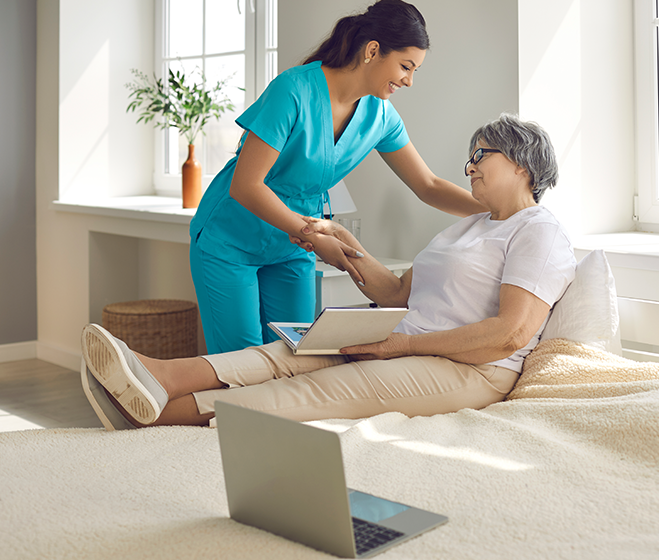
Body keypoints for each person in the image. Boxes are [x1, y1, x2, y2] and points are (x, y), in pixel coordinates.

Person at [81, 115, 576, 430]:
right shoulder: (468, 226)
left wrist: (403, 346)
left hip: (472, 369)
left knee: (310, 389)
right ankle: (158, 374)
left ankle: (151, 417)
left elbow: (510, 334)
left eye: (481, 155)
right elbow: (397, 293)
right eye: (470, 158)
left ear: (522, 164)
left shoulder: (539, 230)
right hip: (407, 339)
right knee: (288, 352)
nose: (469, 167)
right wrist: (345, 241)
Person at [189, 0, 487, 355]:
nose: (409, 81)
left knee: (296, 357)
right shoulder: (293, 90)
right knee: (239, 364)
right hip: (232, 237)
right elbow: (246, 185)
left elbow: (428, 185)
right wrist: (312, 236)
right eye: (406, 67)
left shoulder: (381, 117)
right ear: (373, 51)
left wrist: (503, 211)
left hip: (292, 247)